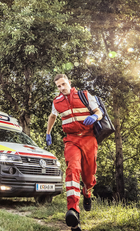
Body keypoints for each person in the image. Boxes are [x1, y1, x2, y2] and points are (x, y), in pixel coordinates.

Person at [46, 74, 102, 231]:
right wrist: (48, 133)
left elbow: (99, 112)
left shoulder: (84, 95)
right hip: (71, 141)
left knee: (89, 177)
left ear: (69, 83)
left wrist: (94, 117)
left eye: (63, 84)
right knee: (72, 169)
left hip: (89, 139)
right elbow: (52, 116)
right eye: (58, 86)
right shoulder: (56, 102)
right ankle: (73, 212)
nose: (62, 88)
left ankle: (87, 192)